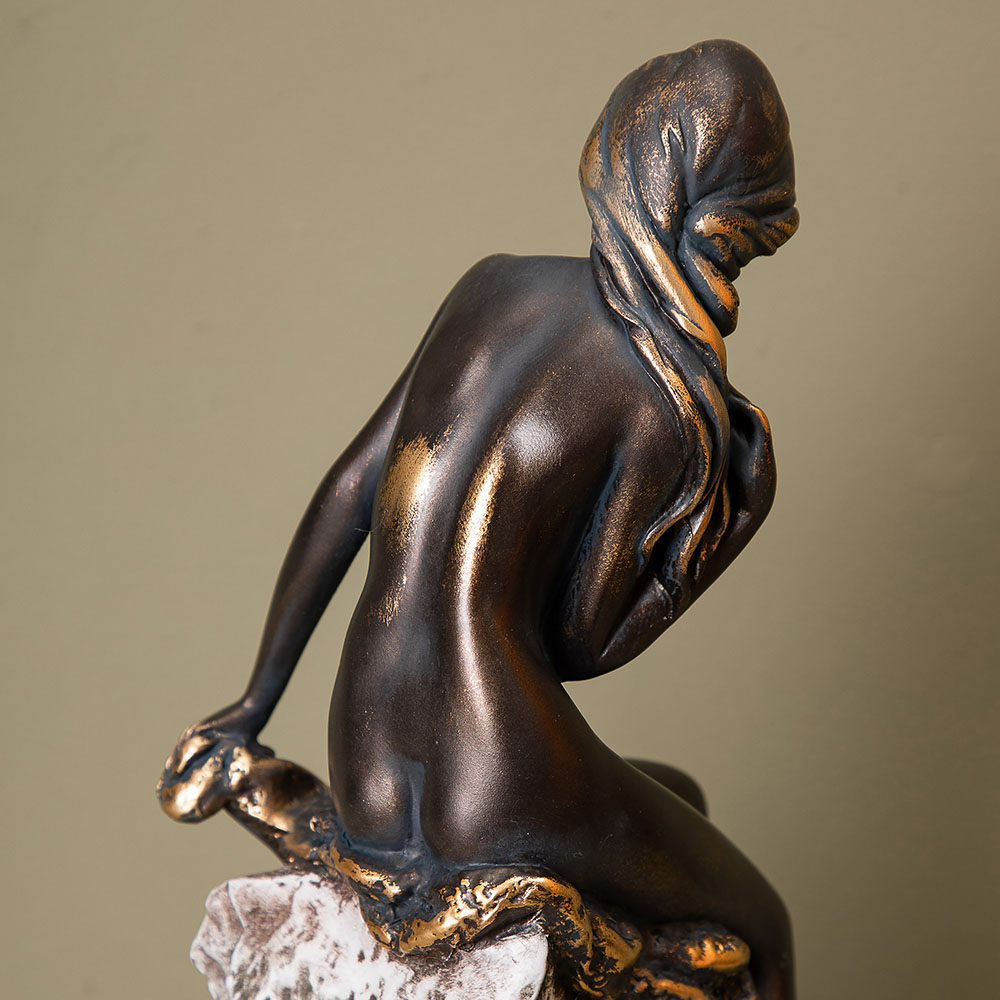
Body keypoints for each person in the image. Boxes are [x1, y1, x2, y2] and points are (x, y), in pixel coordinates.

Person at [164, 39, 799, 999]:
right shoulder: (663, 398)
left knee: (677, 797)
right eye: (745, 236)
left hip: (364, 751)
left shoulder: (488, 285)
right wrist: (726, 519)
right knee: (763, 921)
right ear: (710, 216)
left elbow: (347, 488)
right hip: (499, 768)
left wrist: (253, 702)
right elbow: (578, 645)